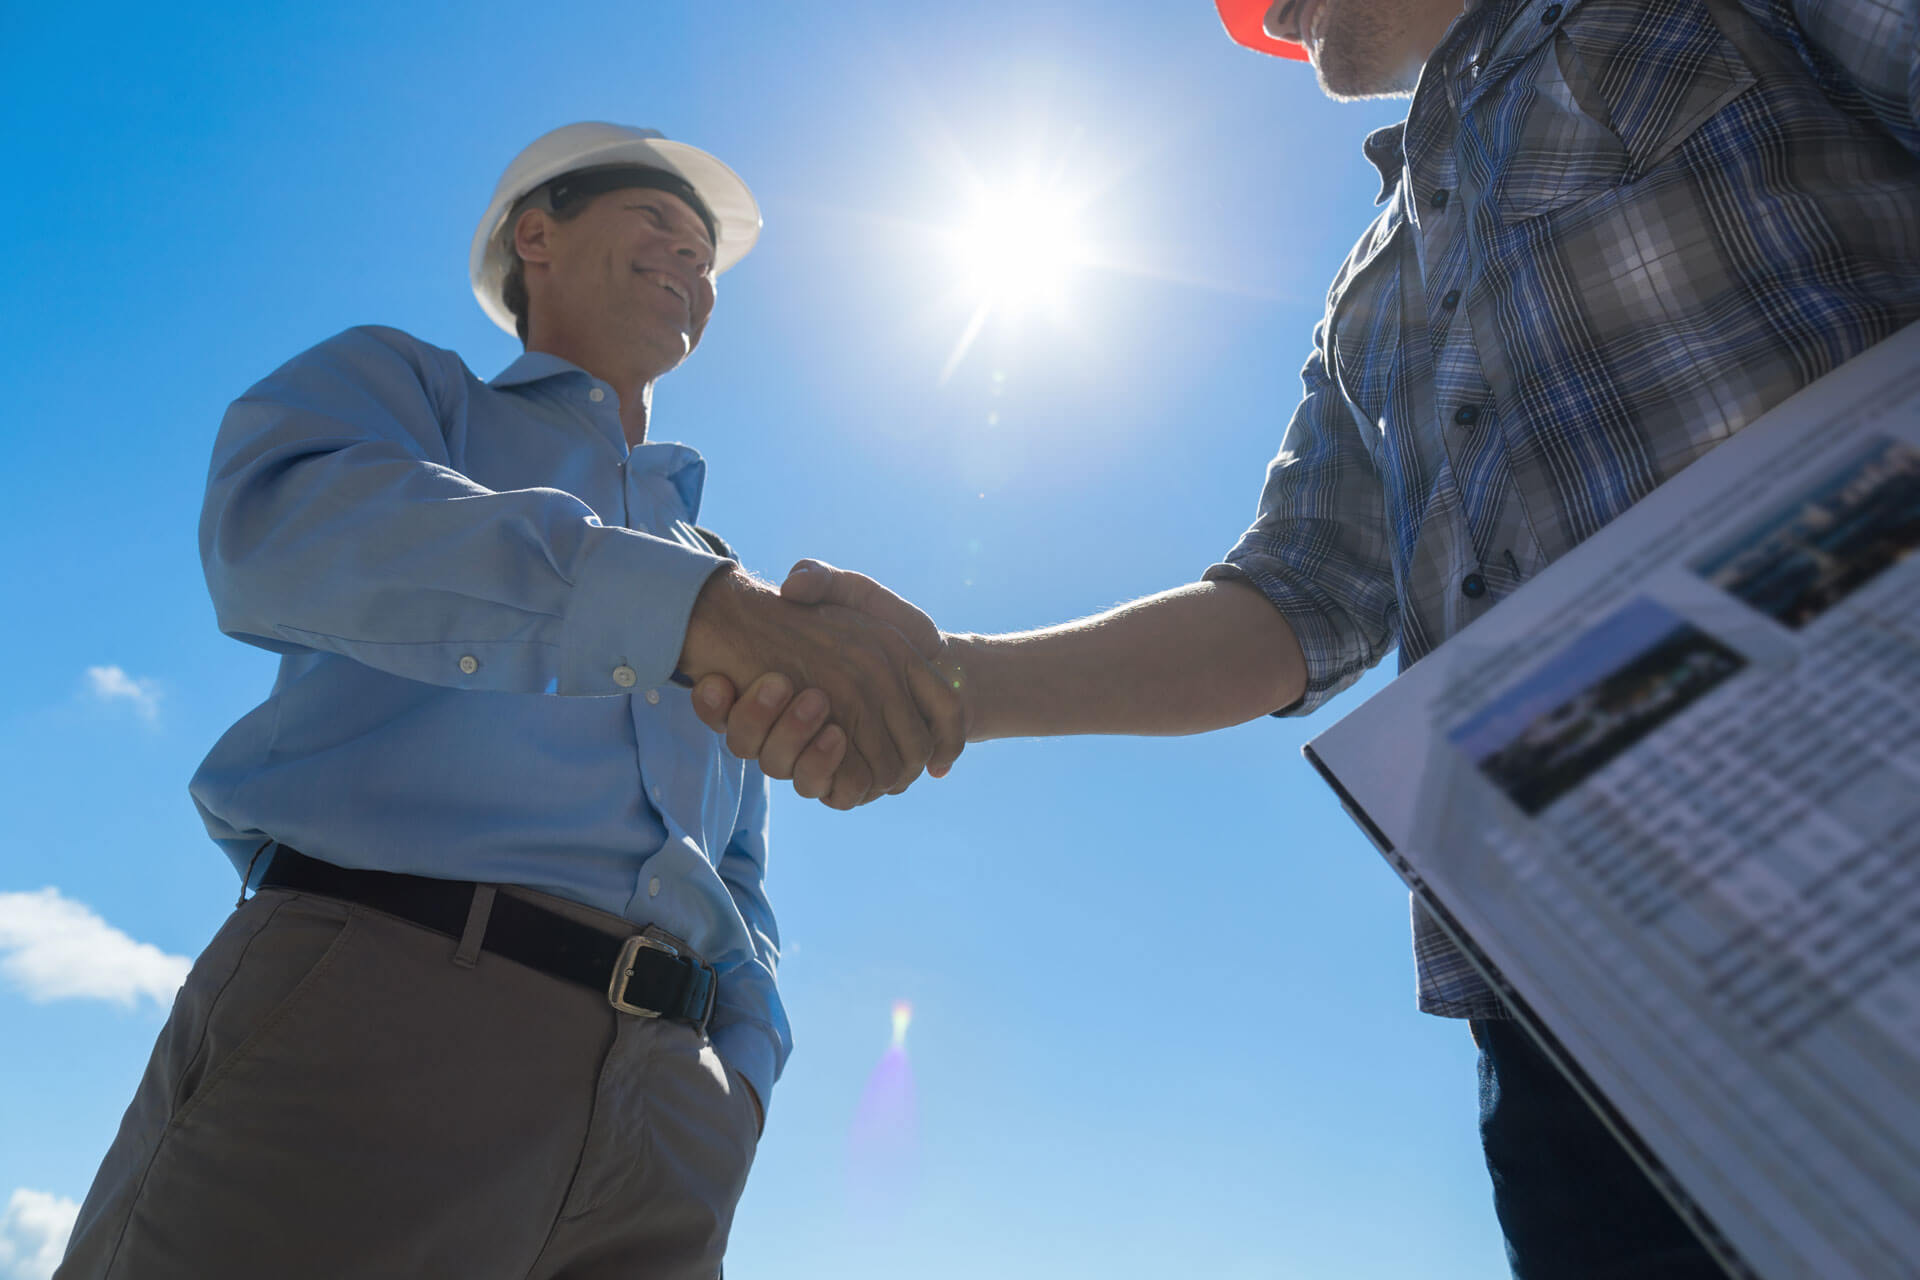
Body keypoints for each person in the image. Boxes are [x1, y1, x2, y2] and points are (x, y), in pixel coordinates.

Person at [691, 0, 1920, 1274]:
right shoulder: (1365, 298)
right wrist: (942, 681)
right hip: (1571, 1002)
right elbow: (1290, 601)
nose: (1266, 13)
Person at [56, 121, 961, 1280]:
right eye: (661, 224)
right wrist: (689, 611)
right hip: (375, 1022)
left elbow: (734, 863)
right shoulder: (413, 394)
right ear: (537, 232)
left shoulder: (714, 560)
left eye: (707, 256)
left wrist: (741, 1067)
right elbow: (274, 528)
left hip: (668, 1125)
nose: (692, 260)